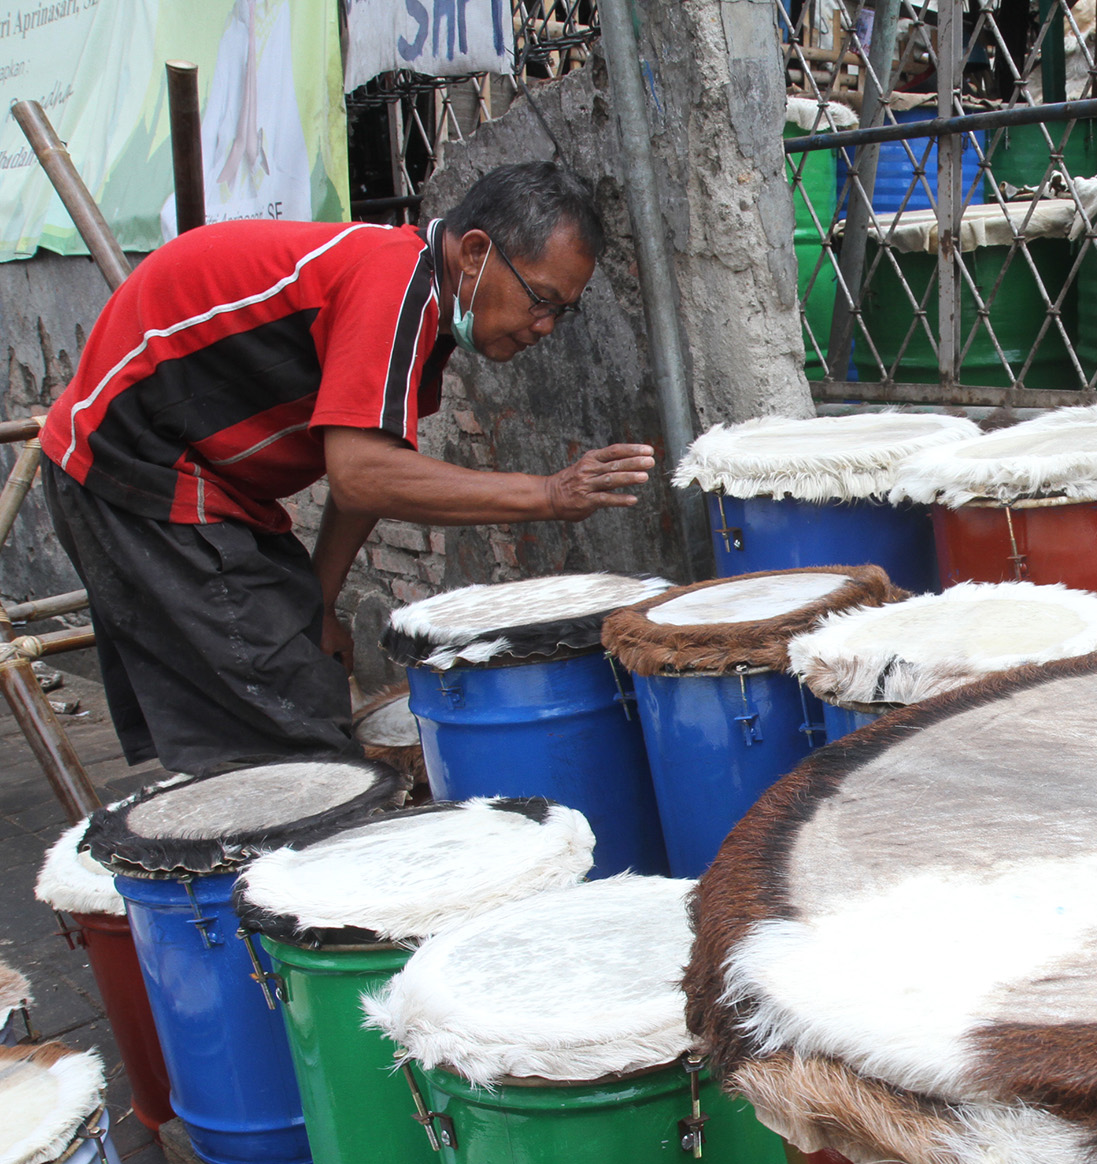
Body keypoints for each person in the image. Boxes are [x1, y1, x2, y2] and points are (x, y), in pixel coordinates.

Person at [37, 161, 653, 773]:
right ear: (474, 253)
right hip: (134, 465)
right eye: (540, 299)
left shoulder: (426, 303)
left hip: (211, 481)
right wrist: (548, 494)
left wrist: (321, 609)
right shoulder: (393, 279)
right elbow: (362, 473)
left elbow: (368, 476)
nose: (544, 326)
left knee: (295, 677)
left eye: (561, 311)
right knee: (290, 728)